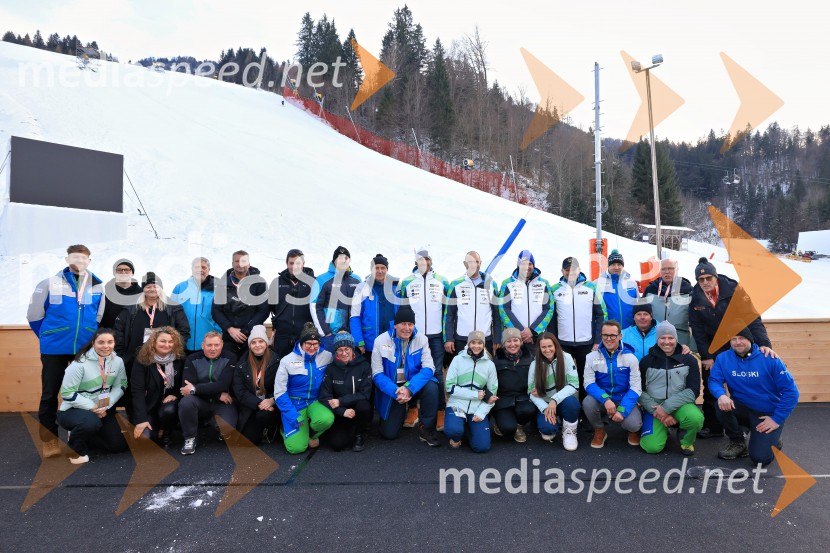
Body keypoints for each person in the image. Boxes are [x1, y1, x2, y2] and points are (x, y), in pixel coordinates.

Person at [27, 244, 105, 458]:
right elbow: (34, 316)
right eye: (75, 257)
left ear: (89, 260)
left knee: (86, 391)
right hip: (55, 348)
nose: (79, 261)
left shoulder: (97, 286)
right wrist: (49, 337)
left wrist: (87, 337)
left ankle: (77, 433)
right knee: (50, 393)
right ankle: (49, 440)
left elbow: (97, 317)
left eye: (84, 258)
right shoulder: (49, 284)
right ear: (67, 259)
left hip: (83, 348)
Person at [689, 256, 776, 439]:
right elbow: (697, 329)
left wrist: (764, 345)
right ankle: (713, 427)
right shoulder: (695, 297)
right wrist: (706, 355)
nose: (705, 282)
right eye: (701, 279)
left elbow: (753, 319)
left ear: (716, 277)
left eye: (708, 278)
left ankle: (746, 424)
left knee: (743, 384)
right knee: (712, 385)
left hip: (739, 343)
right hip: (713, 348)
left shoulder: (735, 291)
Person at [710, 329, 799, 466]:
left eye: (741, 338)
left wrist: (776, 419)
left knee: (760, 459)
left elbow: (792, 392)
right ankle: (738, 442)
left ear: (750, 339)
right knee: (720, 405)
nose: (737, 342)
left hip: (766, 414)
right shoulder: (723, 358)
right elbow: (714, 380)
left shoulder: (770, 359)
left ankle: (774, 438)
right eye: (733, 339)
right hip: (741, 407)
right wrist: (721, 394)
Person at [371, 305, 441, 447]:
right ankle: (398, 414)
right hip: (394, 388)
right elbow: (377, 374)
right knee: (389, 434)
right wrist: (395, 391)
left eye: (410, 324)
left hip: (414, 384)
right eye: (403, 324)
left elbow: (429, 368)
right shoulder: (380, 341)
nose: (407, 328)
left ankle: (426, 429)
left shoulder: (421, 338)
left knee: (432, 387)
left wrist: (409, 388)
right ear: (395, 325)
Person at [56, 328, 128, 464]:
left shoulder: (118, 361)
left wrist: (105, 405)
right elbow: (67, 393)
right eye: (101, 342)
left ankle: (84, 435)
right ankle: (74, 449)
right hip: (73, 410)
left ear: (114, 343)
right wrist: (93, 407)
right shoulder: (79, 364)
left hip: (102, 408)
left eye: (110, 342)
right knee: (89, 423)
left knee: (118, 446)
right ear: (93, 343)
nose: (106, 346)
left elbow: (121, 385)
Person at [638, 321, 704, 456]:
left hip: (680, 404)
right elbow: (641, 391)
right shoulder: (646, 361)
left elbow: (693, 390)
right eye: (662, 338)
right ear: (657, 339)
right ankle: (662, 428)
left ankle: (686, 441)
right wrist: (660, 411)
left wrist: (666, 408)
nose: (666, 342)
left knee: (695, 418)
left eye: (670, 338)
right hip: (655, 407)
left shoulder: (688, 359)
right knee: (651, 447)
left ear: (676, 339)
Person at [550, 257, 606, 400]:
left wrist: (597, 339)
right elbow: (550, 317)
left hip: (586, 342)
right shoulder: (555, 289)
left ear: (579, 269)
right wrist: (553, 340)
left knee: (585, 378)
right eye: (567, 270)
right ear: (562, 271)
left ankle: (585, 411)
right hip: (563, 343)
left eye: (573, 269)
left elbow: (601, 314)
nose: (570, 273)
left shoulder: (591, 288)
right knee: (562, 378)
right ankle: (562, 409)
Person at [274, 323, 335, 454]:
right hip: (295, 403)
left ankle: (310, 435)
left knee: (326, 419)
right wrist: (291, 415)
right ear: (301, 342)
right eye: (308, 343)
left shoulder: (327, 356)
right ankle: (285, 429)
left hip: (315, 401)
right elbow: (279, 393)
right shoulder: (287, 361)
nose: (312, 347)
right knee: (296, 449)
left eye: (315, 343)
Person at [583, 320, 642, 448]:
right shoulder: (591, 357)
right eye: (605, 335)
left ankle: (632, 431)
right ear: (601, 336)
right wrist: (605, 400)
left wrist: (622, 410)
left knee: (633, 424)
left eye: (613, 335)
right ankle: (600, 430)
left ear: (620, 336)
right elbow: (588, 383)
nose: (609, 339)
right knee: (588, 403)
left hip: (623, 398)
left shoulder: (630, 358)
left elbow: (636, 388)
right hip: (603, 398)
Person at [115, 272, 190, 370]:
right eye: (148, 286)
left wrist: (173, 351)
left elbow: (184, 331)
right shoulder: (131, 308)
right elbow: (118, 330)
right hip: (134, 359)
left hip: (165, 358)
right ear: (143, 289)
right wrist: (122, 354)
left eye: (155, 286)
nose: (152, 289)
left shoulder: (174, 308)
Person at [178, 331, 237, 455]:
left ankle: (216, 425)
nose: (213, 348)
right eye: (209, 345)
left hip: (222, 403)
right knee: (186, 401)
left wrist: (195, 389)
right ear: (203, 345)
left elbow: (223, 384)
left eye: (216, 345)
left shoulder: (230, 357)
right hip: (203, 401)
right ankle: (190, 437)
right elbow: (186, 388)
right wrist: (216, 394)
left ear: (222, 345)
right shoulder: (192, 359)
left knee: (227, 428)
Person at [131, 327, 186, 448]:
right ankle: (154, 428)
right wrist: (141, 420)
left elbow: (184, 383)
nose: (167, 345)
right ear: (153, 342)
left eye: (171, 341)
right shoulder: (142, 360)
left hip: (168, 405)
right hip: (149, 406)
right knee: (146, 440)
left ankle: (168, 432)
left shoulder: (179, 359)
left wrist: (175, 394)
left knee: (168, 410)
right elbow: (137, 392)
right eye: (162, 341)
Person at [444, 331, 498, 453]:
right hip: (457, 404)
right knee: (453, 430)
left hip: (476, 408)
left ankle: (468, 427)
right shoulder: (457, 359)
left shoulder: (490, 365)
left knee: (482, 447)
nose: (476, 346)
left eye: (480, 343)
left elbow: (492, 394)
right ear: (468, 344)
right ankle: (457, 436)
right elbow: (450, 387)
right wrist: (475, 395)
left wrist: (481, 413)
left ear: (483, 345)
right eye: (473, 342)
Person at [319, 331, 372, 452]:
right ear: (335, 351)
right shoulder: (331, 368)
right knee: (337, 445)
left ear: (352, 348)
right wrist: (342, 411)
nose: (344, 353)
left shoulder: (364, 366)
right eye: (340, 350)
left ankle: (359, 434)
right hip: (340, 411)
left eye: (347, 349)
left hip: (356, 407)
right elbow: (324, 396)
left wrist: (341, 401)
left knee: (364, 406)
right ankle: (347, 430)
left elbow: (365, 393)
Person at [528, 332, 580, 450]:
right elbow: (530, 392)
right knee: (548, 431)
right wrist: (545, 408)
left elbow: (574, 384)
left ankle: (569, 432)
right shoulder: (534, 364)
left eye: (550, 346)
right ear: (539, 348)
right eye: (544, 347)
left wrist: (554, 400)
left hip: (562, 400)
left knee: (572, 404)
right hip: (546, 403)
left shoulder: (566, 358)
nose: (547, 350)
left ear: (555, 345)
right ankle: (553, 420)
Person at [212, 250, 269, 358]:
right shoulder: (222, 283)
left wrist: (246, 330)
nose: (240, 264)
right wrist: (230, 329)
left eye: (243, 261)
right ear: (232, 263)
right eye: (237, 261)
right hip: (229, 337)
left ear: (249, 264)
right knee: (229, 369)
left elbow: (263, 311)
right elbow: (216, 310)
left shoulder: (259, 283)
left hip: (252, 336)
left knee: (249, 370)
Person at [444, 250, 502, 355]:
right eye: (470, 262)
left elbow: (496, 314)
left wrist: (497, 338)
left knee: (483, 369)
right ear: (465, 264)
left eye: (476, 261)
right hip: (462, 338)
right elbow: (449, 315)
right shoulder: (456, 284)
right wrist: (448, 338)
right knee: (462, 369)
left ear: (480, 263)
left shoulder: (491, 284)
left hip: (485, 338)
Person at [232, 325, 280, 446]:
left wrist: (272, 400)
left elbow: (283, 385)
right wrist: (258, 403)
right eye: (253, 342)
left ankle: (271, 428)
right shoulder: (242, 364)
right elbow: (240, 391)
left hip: (271, 404)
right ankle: (259, 429)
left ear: (266, 343)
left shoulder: (277, 361)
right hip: (251, 405)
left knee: (264, 416)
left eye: (261, 341)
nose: (257, 345)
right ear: (249, 345)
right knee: (250, 440)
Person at [498, 250, 555, 346]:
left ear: (534, 265)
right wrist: (521, 331)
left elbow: (548, 308)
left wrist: (532, 330)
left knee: (537, 361)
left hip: (537, 335)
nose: (527, 267)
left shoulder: (544, 283)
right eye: (523, 264)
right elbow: (503, 308)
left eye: (530, 264)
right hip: (515, 337)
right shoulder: (507, 283)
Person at [311, 246, 361, 353]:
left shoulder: (357, 280)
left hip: (352, 334)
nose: (343, 260)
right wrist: (325, 332)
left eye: (346, 258)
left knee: (350, 367)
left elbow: (362, 307)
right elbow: (314, 306)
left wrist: (358, 333)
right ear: (334, 260)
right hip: (331, 335)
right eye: (340, 258)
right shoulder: (322, 279)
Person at [350, 253, 399, 357]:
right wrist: (359, 341)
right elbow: (355, 316)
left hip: (392, 340)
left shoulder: (396, 287)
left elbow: (403, 314)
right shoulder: (361, 288)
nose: (380, 271)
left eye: (383, 268)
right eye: (376, 268)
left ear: (387, 269)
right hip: (369, 343)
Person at [491, 328, 536, 443]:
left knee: (529, 409)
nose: (512, 344)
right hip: (504, 400)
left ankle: (520, 426)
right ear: (503, 344)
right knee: (507, 429)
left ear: (521, 342)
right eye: (508, 341)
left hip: (523, 397)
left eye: (516, 340)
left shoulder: (529, 357)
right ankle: (501, 423)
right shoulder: (496, 360)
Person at [171, 257, 222, 356]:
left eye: (204, 267)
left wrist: (219, 331)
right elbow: (171, 312)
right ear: (192, 269)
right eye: (197, 267)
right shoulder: (180, 288)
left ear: (209, 270)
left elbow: (225, 312)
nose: (200, 270)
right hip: (183, 342)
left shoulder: (218, 288)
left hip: (209, 343)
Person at [270, 249, 316, 359]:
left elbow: (320, 308)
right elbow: (270, 308)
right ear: (287, 264)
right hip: (282, 336)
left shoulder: (314, 282)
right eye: (291, 263)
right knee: (281, 368)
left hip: (306, 335)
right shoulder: (277, 283)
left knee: (304, 369)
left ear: (303, 264)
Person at [643, 258, 696, 349]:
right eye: (663, 269)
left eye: (671, 268)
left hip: (681, 340)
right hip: (655, 339)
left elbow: (696, 320)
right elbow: (641, 313)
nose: (667, 272)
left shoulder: (687, 289)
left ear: (677, 269)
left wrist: (693, 347)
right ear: (660, 271)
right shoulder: (650, 289)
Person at [593, 250, 638, 329]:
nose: (616, 267)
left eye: (619, 264)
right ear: (608, 266)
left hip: (629, 329)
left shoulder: (632, 283)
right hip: (608, 331)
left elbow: (638, 306)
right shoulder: (598, 283)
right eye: (613, 264)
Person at [99, 258, 141, 329]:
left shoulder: (141, 293)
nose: (123, 272)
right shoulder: (104, 291)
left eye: (127, 270)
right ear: (114, 273)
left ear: (132, 272)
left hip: (133, 335)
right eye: (119, 270)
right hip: (109, 334)